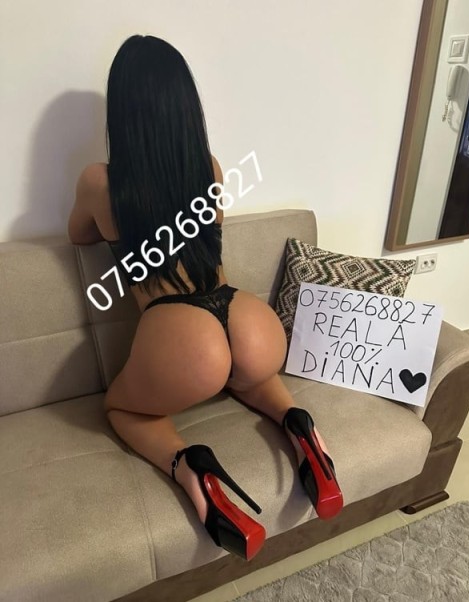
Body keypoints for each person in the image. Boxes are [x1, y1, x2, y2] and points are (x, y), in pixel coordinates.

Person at [67, 34, 343, 561]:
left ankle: (190, 468)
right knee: (252, 377)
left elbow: (78, 235)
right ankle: (301, 428)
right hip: (247, 318)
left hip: (183, 337)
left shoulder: (99, 183)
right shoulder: (210, 169)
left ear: (122, 112)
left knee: (120, 407)